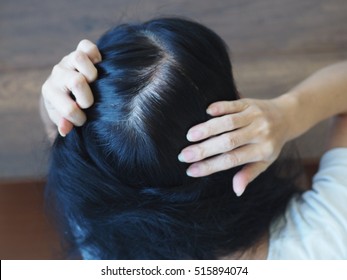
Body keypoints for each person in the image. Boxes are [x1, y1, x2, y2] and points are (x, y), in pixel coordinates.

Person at [41, 17, 347, 259]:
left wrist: (55, 97)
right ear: (236, 108)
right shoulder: (328, 240)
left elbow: (61, 130)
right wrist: (289, 112)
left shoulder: (95, 229)